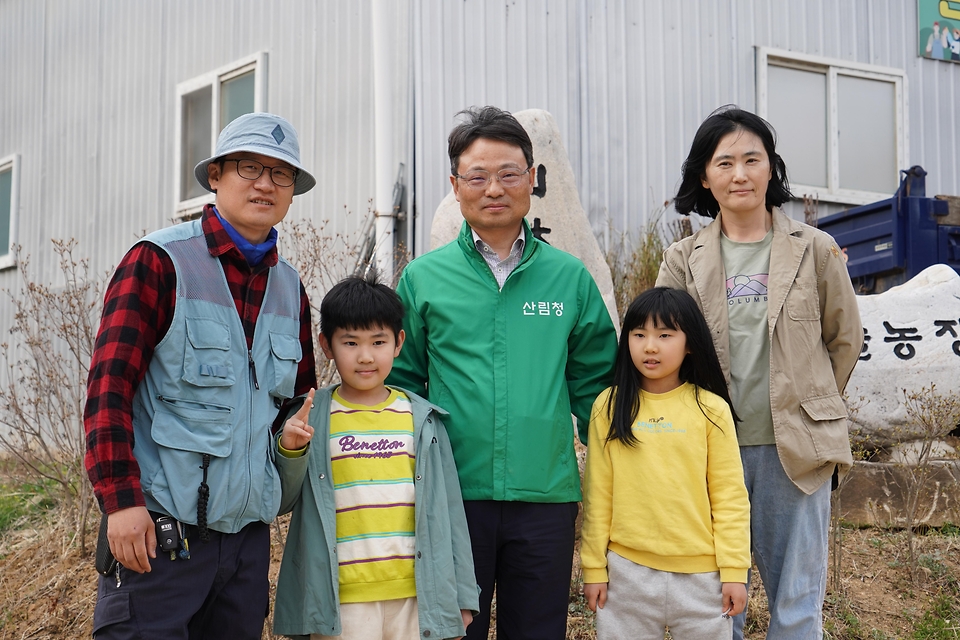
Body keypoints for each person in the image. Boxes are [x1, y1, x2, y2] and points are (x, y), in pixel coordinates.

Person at [84, 112, 319, 639]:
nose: (265, 183)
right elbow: (108, 392)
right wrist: (121, 504)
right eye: (248, 167)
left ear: (292, 191)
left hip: (246, 548)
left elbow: (293, 407)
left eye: (281, 173)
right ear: (215, 175)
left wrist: (291, 449)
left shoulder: (292, 289)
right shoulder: (159, 261)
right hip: (159, 537)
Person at [387, 105, 619, 639]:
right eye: (477, 176)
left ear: (533, 180)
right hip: (453, 497)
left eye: (509, 173)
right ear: (456, 185)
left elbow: (597, 389)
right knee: (449, 631)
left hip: (546, 499)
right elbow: (400, 384)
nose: (494, 188)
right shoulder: (424, 280)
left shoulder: (569, 278)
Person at [656, 106, 863, 639]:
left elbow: (844, 340)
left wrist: (810, 402)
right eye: (724, 163)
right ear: (705, 177)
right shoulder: (682, 259)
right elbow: (662, 348)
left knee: (796, 599)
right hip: (707, 449)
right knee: (716, 601)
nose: (740, 174)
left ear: (772, 169)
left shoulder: (814, 250)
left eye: (753, 159)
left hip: (795, 450)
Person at [272, 273, 479, 640]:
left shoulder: (423, 419)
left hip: (417, 597)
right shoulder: (312, 415)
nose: (365, 356)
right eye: (350, 342)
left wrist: (462, 594)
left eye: (378, 341)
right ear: (326, 345)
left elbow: (450, 512)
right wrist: (291, 449)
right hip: (341, 601)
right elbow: (283, 502)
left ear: (398, 342)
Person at [580, 287, 750, 639]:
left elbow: (730, 497)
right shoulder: (608, 407)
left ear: (690, 343)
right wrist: (593, 567)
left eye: (665, 335)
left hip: (703, 578)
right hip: (626, 575)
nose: (650, 346)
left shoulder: (711, 409)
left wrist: (734, 571)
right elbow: (598, 495)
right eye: (638, 334)